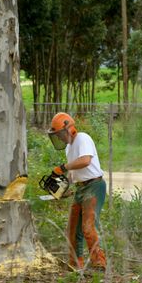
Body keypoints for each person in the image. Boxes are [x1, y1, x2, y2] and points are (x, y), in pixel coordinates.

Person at [47, 112, 107, 270]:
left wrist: (63, 167)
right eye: (56, 135)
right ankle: (75, 265)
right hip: (81, 188)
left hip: (94, 186)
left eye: (59, 134)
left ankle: (99, 263)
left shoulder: (82, 138)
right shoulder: (69, 148)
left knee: (88, 227)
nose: (59, 138)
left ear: (68, 129)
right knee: (72, 230)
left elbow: (85, 161)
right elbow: (74, 172)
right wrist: (63, 189)